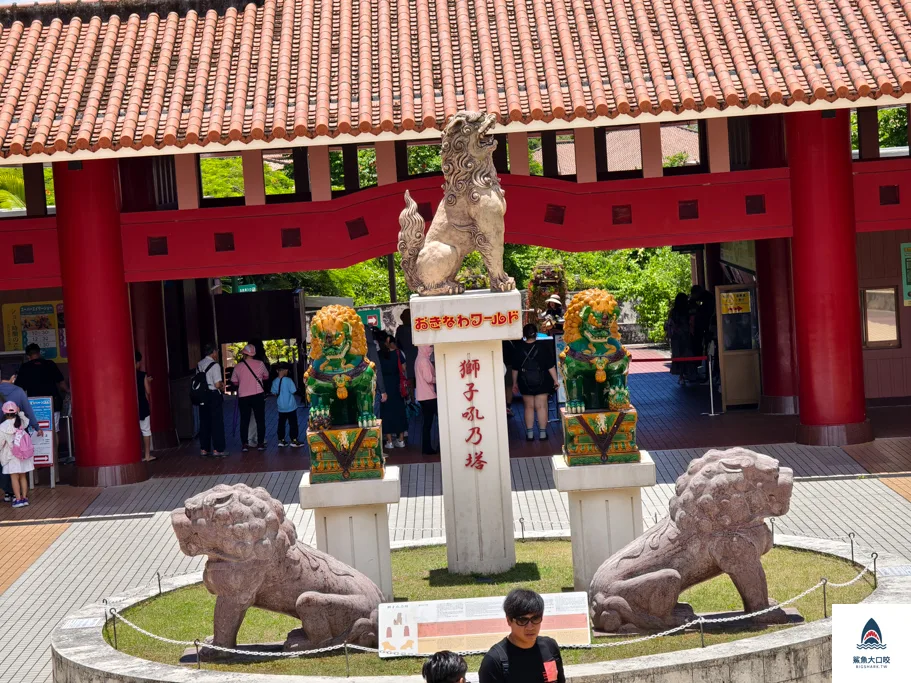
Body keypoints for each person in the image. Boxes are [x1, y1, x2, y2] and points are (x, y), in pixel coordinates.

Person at [478, 588, 565, 683]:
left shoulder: (550, 647)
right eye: (522, 620)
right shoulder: (494, 661)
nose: (530, 627)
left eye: (535, 618)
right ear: (509, 620)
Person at [15, 343, 68, 463]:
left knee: (34, 431)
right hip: (52, 403)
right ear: (39, 353)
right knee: (54, 431)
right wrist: (69, 392)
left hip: (33, 406)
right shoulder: (50, 364)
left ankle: (37, 461)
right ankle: (54, 459)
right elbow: (62, 384)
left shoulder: (25, 367)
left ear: (28, 356)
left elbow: (19, 389)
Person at [512, 324, 558, 441]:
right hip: (542, 380)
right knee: (541, 406)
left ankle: (530, 434)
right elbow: (550, 366)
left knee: (528, 407)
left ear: (524, 334)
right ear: (536, 334)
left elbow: (515, 368)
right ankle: (542, 433)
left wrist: (514, 383)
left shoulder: (518, 348)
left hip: (524, 381)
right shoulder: (543, 347)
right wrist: (555, 380)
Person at [0, 374, 40, 503]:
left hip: (5, 442)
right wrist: (36, 426)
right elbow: (28, 411)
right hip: (20, 450)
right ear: (13, 377)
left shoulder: (3, 426)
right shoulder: (19, 391)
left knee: (5, 466)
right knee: (21, 474)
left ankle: (7, 492)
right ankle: (22, 497)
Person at [231, 344, 269, 452]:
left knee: (244, 420)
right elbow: (266, 376)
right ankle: (260, 443)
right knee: (260, 420)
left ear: (244, 354)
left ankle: (244, 444)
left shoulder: (238, 366)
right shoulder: (260, 364)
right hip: (258, 395)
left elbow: (234, 381)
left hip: (243, 397)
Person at [0, 402, 34, 508]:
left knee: (14, 478)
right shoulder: (21, 422)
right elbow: (27, 421)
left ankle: (18, 499)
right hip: (23, 454)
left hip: (11, 456)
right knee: (23, 476)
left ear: (4, 412)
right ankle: (24, 498)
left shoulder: (2, 426)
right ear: (16, 411)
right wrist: (20, 413)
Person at [197, 344, 228, 457]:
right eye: (217, 351)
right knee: (217, 423)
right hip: (213, 396)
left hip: (202, 396)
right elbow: (217, 384)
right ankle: (218, 449)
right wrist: (222, 385)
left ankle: (204, 449)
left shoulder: (199, 364)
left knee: (204, 422)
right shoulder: (215, 366)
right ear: (213, 352)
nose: (217, 353)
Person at [378, 333, 408, 449]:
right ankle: (401, 440)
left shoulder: (378, 355)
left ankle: (389, 441)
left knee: (386, 412)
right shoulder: (397, 353)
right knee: (399, 410)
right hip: (397, 385)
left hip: (384, 387)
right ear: (388, 340)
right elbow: (404, 368)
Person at [666, 293, 697, 384]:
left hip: (676, 337)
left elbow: (670, 323)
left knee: (678, 356)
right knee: (687, 355)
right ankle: (689, 374)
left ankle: (681, 376)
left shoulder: (673, 311)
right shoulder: (687, 310)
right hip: (685, 335)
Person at [271, 362, 301, 448]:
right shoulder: (288, 380)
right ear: (285, 370)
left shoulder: (275, 381)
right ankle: (294, 440)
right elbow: (293, 391)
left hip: (281, 407)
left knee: (281, 423)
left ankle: (281, 440)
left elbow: (274, 393)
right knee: (293, 423)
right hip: (291, 406)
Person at [415, 345, 437, 456]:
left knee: (427, 423)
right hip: (429, 396)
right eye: (429, 347)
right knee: (439, 420)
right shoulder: (424, 361)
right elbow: (428, 378)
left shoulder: (419, 358)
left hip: (423, 396)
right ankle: (437, 446)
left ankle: (426, 447)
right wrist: (439, 379)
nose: (431, 349)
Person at [135, 350, 155, 462]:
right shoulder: (142, 375)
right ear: (137, 362)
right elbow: (148, 391)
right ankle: (147, 455)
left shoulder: (126, 374)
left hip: (132, 406)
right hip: (142, 405)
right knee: (146, 430)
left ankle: (135, 454)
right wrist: (148, 382)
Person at [395, 310, 418, 395]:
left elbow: (397, 344)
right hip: (417, 355)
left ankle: (412, 401)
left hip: (406, 358)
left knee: (409, 381)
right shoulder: (415, 328)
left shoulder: (400, 330)